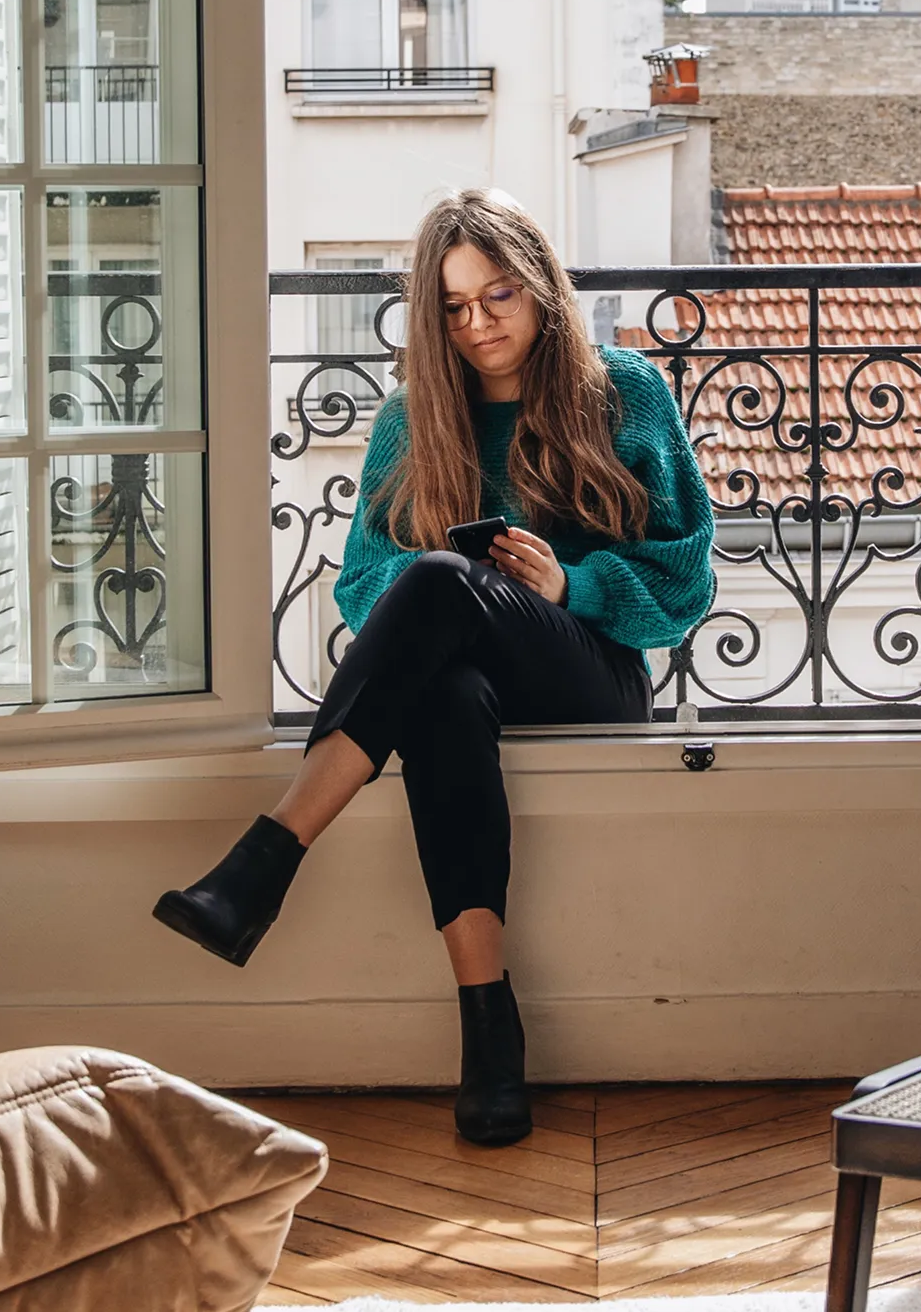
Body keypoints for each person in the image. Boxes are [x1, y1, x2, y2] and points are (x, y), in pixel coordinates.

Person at [154, 188, 716, 1145]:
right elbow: (365, 586)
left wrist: (567, 587)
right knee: (442, 685)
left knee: (441, 578)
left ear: (539, 289)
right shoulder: (412, 417)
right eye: (454, 307)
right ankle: (489, 1034)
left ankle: (268, 859)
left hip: (593, 677)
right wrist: (445, 610)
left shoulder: (624, 392)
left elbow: (686, 573)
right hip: (476, 687)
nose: (479, 323)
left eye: (497, 296)